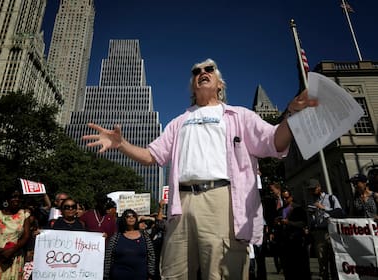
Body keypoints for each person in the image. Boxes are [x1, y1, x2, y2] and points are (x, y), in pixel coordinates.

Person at [83, 58, 317, 279]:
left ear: (220, 84)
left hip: (220, 200)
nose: (202, 73)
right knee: (174, 272)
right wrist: (121, 144)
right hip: (180, 205)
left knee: (220, 273)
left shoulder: (240, 116)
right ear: (193, 87)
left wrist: (292, 113)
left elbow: (275, 141)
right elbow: (150, 156)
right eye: (197, 71)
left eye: (209, 69)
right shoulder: (178, 122)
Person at [0, 189, 30, 280]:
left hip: (14, 256)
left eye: (19, 197)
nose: (17, 199)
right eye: (13, 197)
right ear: (6, 199)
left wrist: (11, 250)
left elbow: (26, 236)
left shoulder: (24, 214)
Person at [104, 209, 155, 280]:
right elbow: (108, 257)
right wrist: (106, 276)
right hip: (119, 276)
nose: (131, 218)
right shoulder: (116, 237)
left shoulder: (144, 235)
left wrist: (151, 275)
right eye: (128, 216)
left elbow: (151, 255)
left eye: (133, 216)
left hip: (140, 276)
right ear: (124, 219)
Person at [306, 178, 342, 280]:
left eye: (313, 189)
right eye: (310, 190)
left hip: (331, 231)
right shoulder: (311, 201)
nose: (312, 191)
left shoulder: (330, 198)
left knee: (334, 260)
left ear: (319, 187)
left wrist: (323, 208)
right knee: (322, 261)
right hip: (319, 234)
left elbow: (339, 212)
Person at [276, 188, 311, 280]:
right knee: (288, 268)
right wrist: (278, 223)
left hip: (297, 241)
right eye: (283, 198)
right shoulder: (281, 210)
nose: (284, 200)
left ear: (291, 197)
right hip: (285, 242)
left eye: (286, 198)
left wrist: (289, 223)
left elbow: (303, 223)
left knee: (301, 267)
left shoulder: (298, 208)